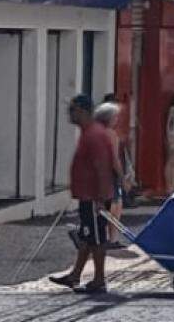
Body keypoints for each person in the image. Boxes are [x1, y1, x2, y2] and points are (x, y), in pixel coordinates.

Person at [50, 95, 115, 294]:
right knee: (87, 237)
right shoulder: (90, 133)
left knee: (96, 238)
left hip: (94, 198)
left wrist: (101, 199)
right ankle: (75, 275)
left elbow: (102, 168)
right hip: (89, 196)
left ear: (83, 111)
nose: (69, 114)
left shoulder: (93, 135)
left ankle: (99, 280)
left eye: (72, 110)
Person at [93, 102, 126, 246]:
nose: (117, 119)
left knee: (102, 207)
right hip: (109, 174)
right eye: (115, 117)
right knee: (115, 206)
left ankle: (102, 237)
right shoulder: (111, 134)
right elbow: (114, 158)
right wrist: (122, 176)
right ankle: (113, 239)